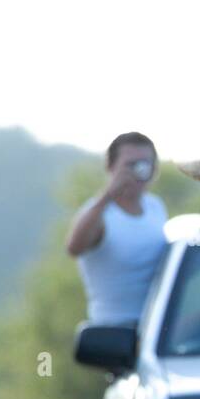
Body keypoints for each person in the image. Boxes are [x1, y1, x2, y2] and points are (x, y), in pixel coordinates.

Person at [67, 132, 167, 325]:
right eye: (131, 165)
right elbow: (74, 247)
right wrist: (108, 195)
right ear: (110, 167)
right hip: (113, 330)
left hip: (154, 327)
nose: (139, 172)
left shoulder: (155, 207)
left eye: (146, 164)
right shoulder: (99, 213)